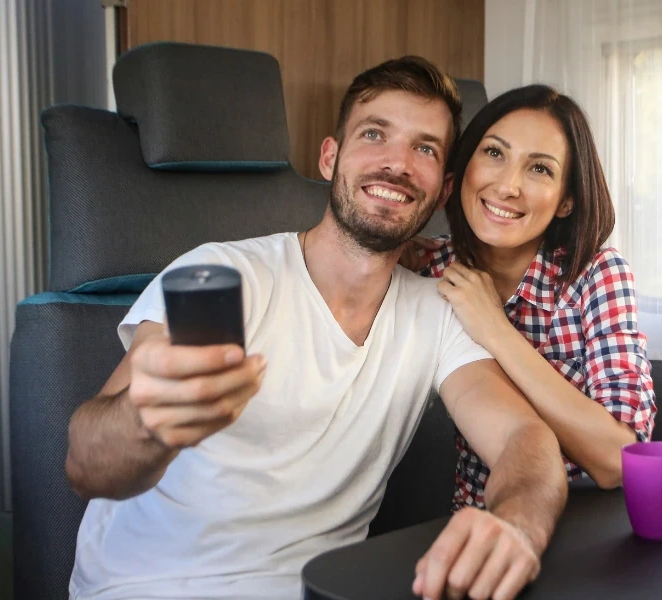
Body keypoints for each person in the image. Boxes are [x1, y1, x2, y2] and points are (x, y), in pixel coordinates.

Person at [65, 57, 567, 600]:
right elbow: (87, 466)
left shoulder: (437, 311)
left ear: (444, 191)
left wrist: (517, 525)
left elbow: (525, 439)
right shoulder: (225, 277)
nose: (396, 164)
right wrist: (148, 418)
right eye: (375, 134)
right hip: (150, 586)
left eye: (423, 148)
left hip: (319, 590)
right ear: (330, 158)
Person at [402, 84, 657, 509]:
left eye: (539, 169)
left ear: (566, 201)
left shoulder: (596, 274)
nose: (507, 186)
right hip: (480, 525)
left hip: (589, 526)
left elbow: (620, 460)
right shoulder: (428, 268)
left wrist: (495, 330)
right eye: (494, 153)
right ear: (464, 165)